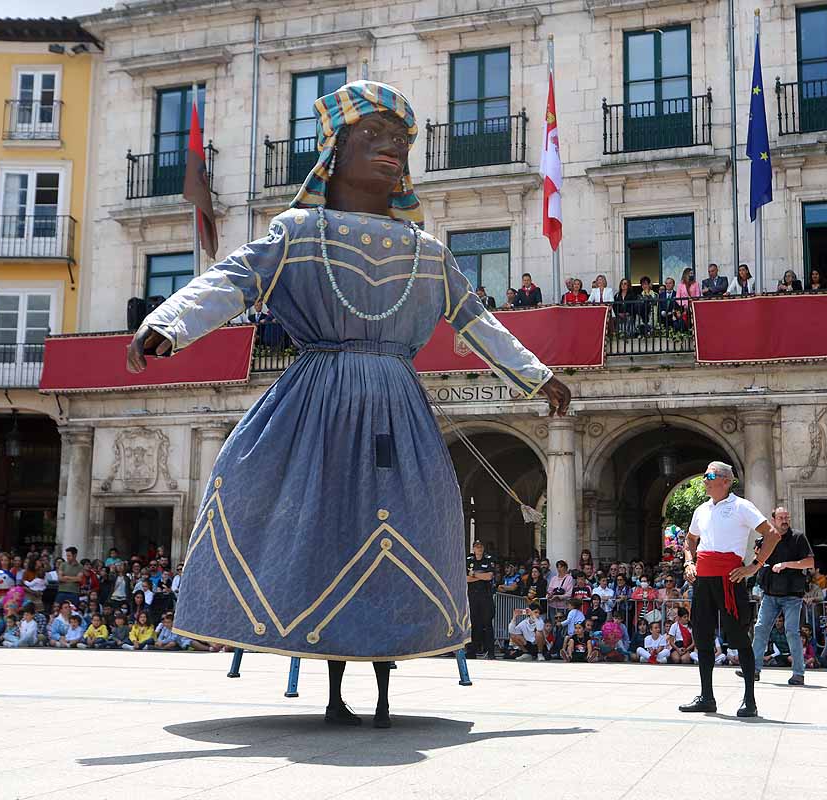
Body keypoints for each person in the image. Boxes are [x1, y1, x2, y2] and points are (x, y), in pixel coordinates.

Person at [126, 81, 571, 729]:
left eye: (400, 140)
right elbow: (234, 278)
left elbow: (479, 325)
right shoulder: (299, 231)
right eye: (373, 136)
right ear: (334, 151)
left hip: (398, 410)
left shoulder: (430, 253)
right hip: (317, 404)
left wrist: (537, 377)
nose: (391, 148)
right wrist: (171, 322)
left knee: (404, 528)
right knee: (314, 528)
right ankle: (330, 684)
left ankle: (387, 681)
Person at [680, 462, 783, 718]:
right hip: (702, 579)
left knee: (739, 638)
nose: (704, 479)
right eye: (704, 475)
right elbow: (690, 540)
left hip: (730, 579)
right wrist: (689, 562)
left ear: (726, 480)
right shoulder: (701, 509)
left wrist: (754, 567)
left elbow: (772, 534)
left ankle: (750, 700)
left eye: (710, 475)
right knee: (702, 638)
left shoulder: (741, 506)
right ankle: (707, 697)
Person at [746, 507, 814, 686]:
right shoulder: (768, 539)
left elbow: (809, 562)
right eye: (781, 517)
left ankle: (798, 673)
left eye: (787, 517)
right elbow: (759, 563)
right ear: (774, 519)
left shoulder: (798, 537)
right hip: (770, 594)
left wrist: (786, 564)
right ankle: (754, 670)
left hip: (792, 595)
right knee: (760, 629)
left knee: (792, 632)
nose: (784, 520)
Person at [465, 540, 495, 659]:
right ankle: (472, 651)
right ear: (473, 548)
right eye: (476, 547)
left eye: (481, 546)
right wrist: (480, 575)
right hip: (472, 596)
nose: (479, 549)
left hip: (485, 596)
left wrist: (474, 574)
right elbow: (465, 578)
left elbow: (489, 577)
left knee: (487, 624)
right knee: (474, 624)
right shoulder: (469, 560)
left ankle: (491, 652)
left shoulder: (488, 560)